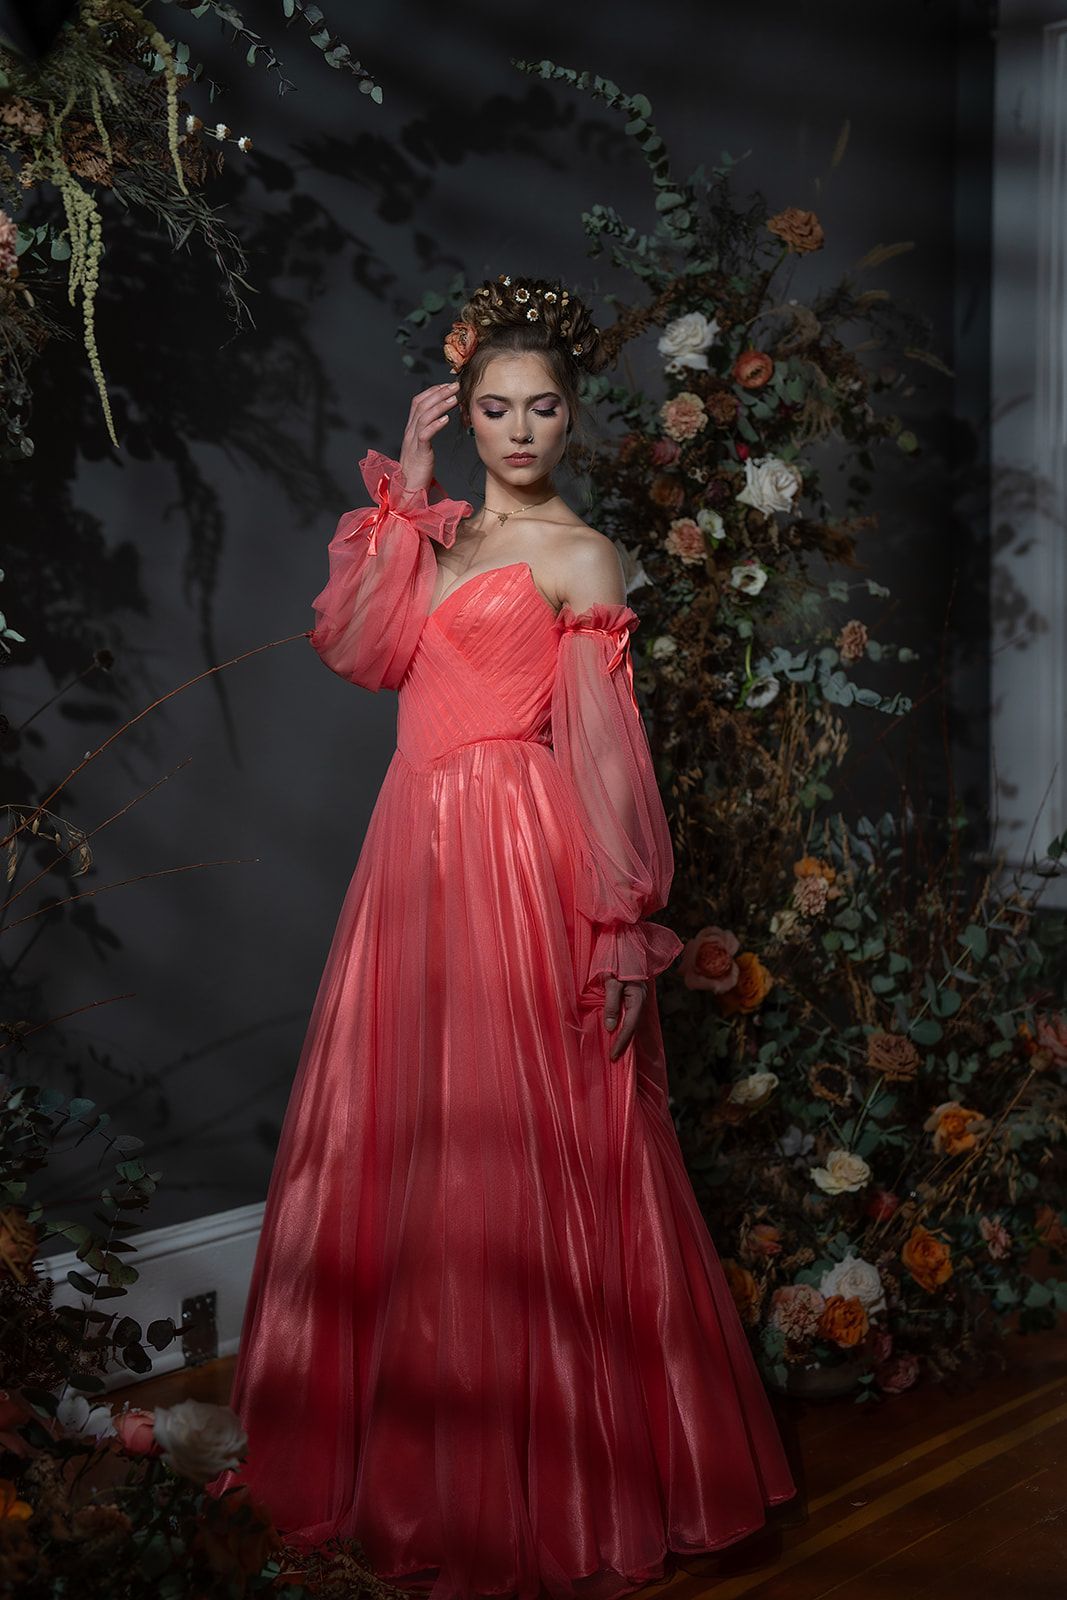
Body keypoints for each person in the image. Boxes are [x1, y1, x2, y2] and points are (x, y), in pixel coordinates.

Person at [207, 273, 797, 1599]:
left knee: (517, 1148)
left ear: (574, 419)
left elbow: (604, 764)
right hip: (409, 856)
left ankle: (548, 1484)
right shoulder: (438, 531)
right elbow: (357, 652)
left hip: (519, 858)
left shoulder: (583, 559)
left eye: (541, 409)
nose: (519, 431)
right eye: (493, 410)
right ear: (464, 416)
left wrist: (620, 924)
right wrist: (402, 492)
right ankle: (401, 1459)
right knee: (405, 1137)